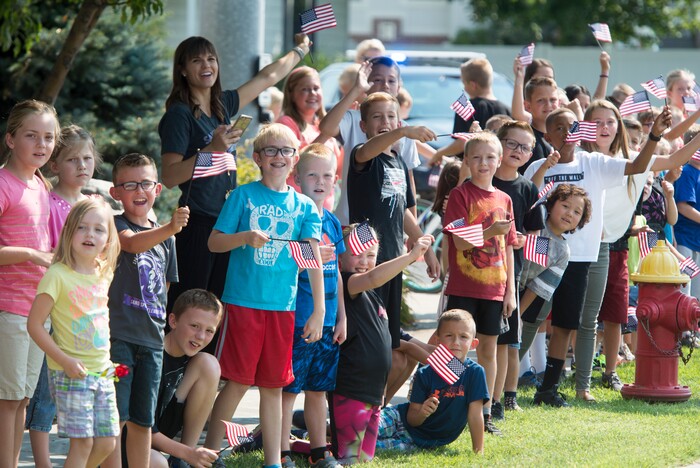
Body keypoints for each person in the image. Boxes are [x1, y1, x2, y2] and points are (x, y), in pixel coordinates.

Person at [159, 33, 312, 343]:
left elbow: (268, 77)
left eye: (211, 58)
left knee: (214, 312)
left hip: (226, 223)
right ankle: (170, 381)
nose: (206, 65)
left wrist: (300, 49)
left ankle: (202, 382)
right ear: (183, 70)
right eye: (197, 60)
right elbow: (171, 176)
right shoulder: (178, 115)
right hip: (197, 224)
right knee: (189, 311)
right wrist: (211, 150)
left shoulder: (223, 104)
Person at [524, 106, 670, 404]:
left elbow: (637, 165)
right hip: (542, 252)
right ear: (548, 135)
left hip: (580, 257)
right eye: (559, 129)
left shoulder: (594, 162)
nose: (566, 134)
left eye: (571, 127)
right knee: (530, 317)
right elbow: (526, 206)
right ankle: (511, 382)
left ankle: (549, 387)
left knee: (568, 323)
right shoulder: (538, 165)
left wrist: (654, 135)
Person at [204, 124, 324, 468]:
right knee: (238, 381)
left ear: (295, 159)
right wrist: (243, 237)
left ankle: (273, 462)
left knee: (274, 386)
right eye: (270, 150)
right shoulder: (243, 196)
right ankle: (209, 455)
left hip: (282, 307)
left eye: (285, 151)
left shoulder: (304, 207)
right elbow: (214, 242)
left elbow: (312, 259)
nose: (278, 157)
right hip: (243, 302)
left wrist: (318, 309)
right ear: (257, 158)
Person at [575, 101, 700, 398]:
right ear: (585, 126)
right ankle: (552, 375)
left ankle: (607, 373)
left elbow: (672, 158)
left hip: (616, 246)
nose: (605, 128)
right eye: (597, 122)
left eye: (610, 121)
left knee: (615, 314)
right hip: (581, 245)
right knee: (576, 316)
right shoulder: (582, 159)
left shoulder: (632, 159)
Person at [103, 153, 188, 467]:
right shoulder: (116, 225)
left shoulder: (168, 239)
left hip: (151, 343)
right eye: (129, 184)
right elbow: (131, 244)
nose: (139, 190)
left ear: (158, 188)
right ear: (116, 193)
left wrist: (168, 231)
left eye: (146, 183)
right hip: (119, 340)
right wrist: (170, 228)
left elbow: (166, 285)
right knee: (117, 416)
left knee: (142, 420)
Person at [26, 124, 102, 467]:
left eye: (88, 158)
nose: (82, 165)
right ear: (55, 165)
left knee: (80, 389)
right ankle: (42, 462)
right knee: (45, 392)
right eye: (73, 159)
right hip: (55, 306)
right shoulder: (49, 201)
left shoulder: (94, 204)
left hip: (86, 312)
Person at [27, 198, 121, 467]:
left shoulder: (104, 273)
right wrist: (65, 361)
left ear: (108, 238)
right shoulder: (57, 275)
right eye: (82, 227)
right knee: (83, 444)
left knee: (107, 443)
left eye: (98, 229)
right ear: (69, 232)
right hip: (69, 371)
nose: (90, 234)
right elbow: (34, 325)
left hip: (102, 371)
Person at [330, 223, 433, 464]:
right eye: (356, 253)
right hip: (350, 390)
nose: (364, 261)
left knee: (365, 458)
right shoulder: (347, 284)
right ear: (340, 255)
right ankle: (297, 446)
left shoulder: (372, 296)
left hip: (374, 394)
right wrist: (410, 257)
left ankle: (303, 443)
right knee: (349, 458)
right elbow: (373, 277)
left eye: (371, 255)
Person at [346, 92, 440, 350]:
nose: (384, 121)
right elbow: (367, 151)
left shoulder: (398, 161)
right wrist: (403, 132)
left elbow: (403, 210)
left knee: (389, 336)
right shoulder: (363, 155)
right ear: (363, 126)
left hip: (392, 258)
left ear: (398, 121)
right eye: (376, 117)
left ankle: (383, 392)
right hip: (367, 262)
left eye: (390, 116)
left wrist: (426, 248)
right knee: (370, 337)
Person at [442, 131, 517, 435]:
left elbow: (509, 247)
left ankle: (484, 412)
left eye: (489, 157)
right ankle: (448, 405)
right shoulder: (461, 195)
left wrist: (510, 291)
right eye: (476, 157)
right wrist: (488, 232)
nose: (483, 163)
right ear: (467, 161)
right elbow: (459, 243)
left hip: (495, 288)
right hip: (463, 287)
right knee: (452, 348)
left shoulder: (505, 198)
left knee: (489, 348)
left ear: (499, 161)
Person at [0, 99, 58, 467]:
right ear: (10, 139)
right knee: (7, 400)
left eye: (49, 137)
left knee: (21, 399)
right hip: (10, 309)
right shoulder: (3, 184)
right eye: (31, 136)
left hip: (38, 311)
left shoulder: (40, 184)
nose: (41, 144)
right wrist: (34, 256)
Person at [280, 144, 345, 468]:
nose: (320, 181)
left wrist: (342, 319)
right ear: (297, 178)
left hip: (329, 321)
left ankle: (320, 452)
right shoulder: (296, 220)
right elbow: (286, 265)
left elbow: (339, 278)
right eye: (312, 175)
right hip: (300, 320)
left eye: (327, 175)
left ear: (335, 180)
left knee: (319, 390)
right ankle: (283, 452)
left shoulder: (332, 223)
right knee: (289, 389)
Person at [317, 56, 423, 223]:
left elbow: (408, 183)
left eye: (391, 80)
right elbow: (326, 127)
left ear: (399, 86)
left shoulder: (405, 131)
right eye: (377, 79)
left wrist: (413, 230)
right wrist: (355, 90)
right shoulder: (353, 118)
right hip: (351, 222)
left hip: (389, 227)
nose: (385, 85)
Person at [517, 184, 592, 406]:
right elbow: (525, 265)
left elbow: (538, 286)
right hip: (507, 289)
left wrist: (517, 314)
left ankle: (505, 396)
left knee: (514, 350)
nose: (570, 213)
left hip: (526, 301)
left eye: (577, 212)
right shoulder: (535, 228)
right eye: (565, 206)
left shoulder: (562, 250)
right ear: (550, 205)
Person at [490, 121, 545, 419]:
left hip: (514, 272)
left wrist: (523, 242)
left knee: (510, 340)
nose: (517, 151)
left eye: (525, 147)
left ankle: (505, 397)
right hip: (478, 270)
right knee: (480, 338)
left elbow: (536, 234)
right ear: (499, 143)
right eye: (512, 143)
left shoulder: (527, 188)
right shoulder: (483, 179)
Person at [375, 309, 488, 454]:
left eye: (463, 337)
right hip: (398, 418)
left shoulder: (475, 373)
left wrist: (479, 452)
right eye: (449, 335)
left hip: (419, 442)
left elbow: (475, 415)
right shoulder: (425, 372)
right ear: (437, 340)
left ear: (473, 343)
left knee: (365, 446)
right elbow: (411, 418)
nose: (456, 342)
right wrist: (423, 412)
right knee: (359, 431)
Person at [150, 289, 223, 468]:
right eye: (194, 326)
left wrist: (187, 452)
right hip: (128, 440)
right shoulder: (150, 356)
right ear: (173, 321)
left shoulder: (193, 361)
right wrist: (190, 454)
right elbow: (139, 428)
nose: (200, 336)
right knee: (158, 463)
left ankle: (182, 461)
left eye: (209, 331)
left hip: (161, 434)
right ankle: (187, 455)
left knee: (209, 364)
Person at [277, 66, 342, 210]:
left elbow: (339, 169)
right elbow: (293, 164)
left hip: (324, 212)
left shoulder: (321, 125)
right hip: (296, 210)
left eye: (316, 88)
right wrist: (327, 133)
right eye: (305, 89)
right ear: (292, 94)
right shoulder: (286, 123)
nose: (312, 93)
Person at [453, 58, 511, 135]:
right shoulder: (507, 110)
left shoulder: (467, 108)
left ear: (473, 85)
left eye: (464, 83)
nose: (464, 87)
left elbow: (459, 142)